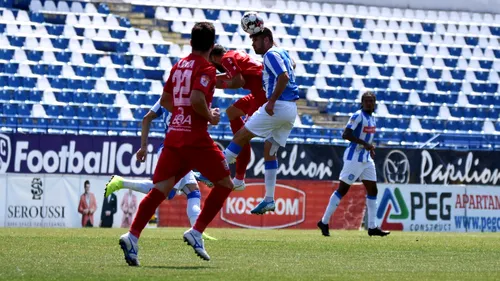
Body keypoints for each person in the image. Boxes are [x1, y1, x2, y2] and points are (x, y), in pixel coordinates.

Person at [118, 22, 233, 266]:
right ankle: (196, 231)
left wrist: (183, 112)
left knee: (160, 189)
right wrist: (210, 116)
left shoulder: (178, 65)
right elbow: (197, 98)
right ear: (212, 46)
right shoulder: (206, 68)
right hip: (195, 138)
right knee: (225, 183)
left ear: (191, 42)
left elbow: (167, 101)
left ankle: (132, 236)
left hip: (174, 136)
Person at [105, 95, 216, 240]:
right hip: (177, 151)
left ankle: (197, 232)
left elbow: (146, 118)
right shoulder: (194, 99)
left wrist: (143, 147)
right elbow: (196, 128)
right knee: (166, 192)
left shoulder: (168, 97)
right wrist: (211, 117)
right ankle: (121, 182)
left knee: (193, 191)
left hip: (169, 148)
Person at [222, 27, 299, 215]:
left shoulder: (270, 55)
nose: (252, 44)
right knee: (269, 151)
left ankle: (216, 169)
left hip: (278, 106)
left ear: (266, 40)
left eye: (255, 40)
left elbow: (284, 77)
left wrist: (271, 101)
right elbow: (291, 68)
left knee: (241, 136)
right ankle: (269, 199)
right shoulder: (281, 52)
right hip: (291, 110)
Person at [317, 91, 390, 237]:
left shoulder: (373, 118)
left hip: (366, 159)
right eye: (367, 101)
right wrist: (365, 144)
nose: (369, 103)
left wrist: (370, 148)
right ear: (362, 102)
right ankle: (324, 222)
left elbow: (367, 138)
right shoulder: (357, 116)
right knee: (343, 189)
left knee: (373, 190)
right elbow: (346, 134)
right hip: (354, 158)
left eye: (371, 101)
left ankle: (372, 227)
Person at [209, 44, 267, 190]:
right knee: (232, 112)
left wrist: (215, 81)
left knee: (242, 136)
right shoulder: (235, 54)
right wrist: (211, 80)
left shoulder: (226, 59)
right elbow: (230, 77)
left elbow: (238, 81)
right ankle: (237, 159)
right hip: (258, 93)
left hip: (262, 95)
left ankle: (235, 172)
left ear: (215, 58)